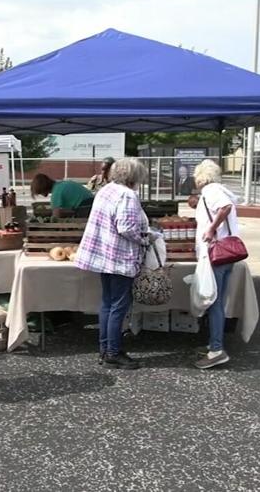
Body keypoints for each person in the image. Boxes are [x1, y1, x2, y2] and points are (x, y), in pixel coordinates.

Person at [74, 158, 150, 370]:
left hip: (103, 256)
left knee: (107, 304)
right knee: (118, 306)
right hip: (119, 257)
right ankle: (113, 353)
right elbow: (126, 228)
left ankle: (105, 349)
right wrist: (145, 238)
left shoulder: (106, 190)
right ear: (134, 177)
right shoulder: (127, 195)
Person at [193, 159, 240, 369]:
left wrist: (211, 229)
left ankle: (217, 349)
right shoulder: (218, 190)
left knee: (214, 302)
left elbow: (225, 207)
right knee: (217, 301)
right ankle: (214, 342)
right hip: (227, 253)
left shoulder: (211, 190)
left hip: (215, 254)